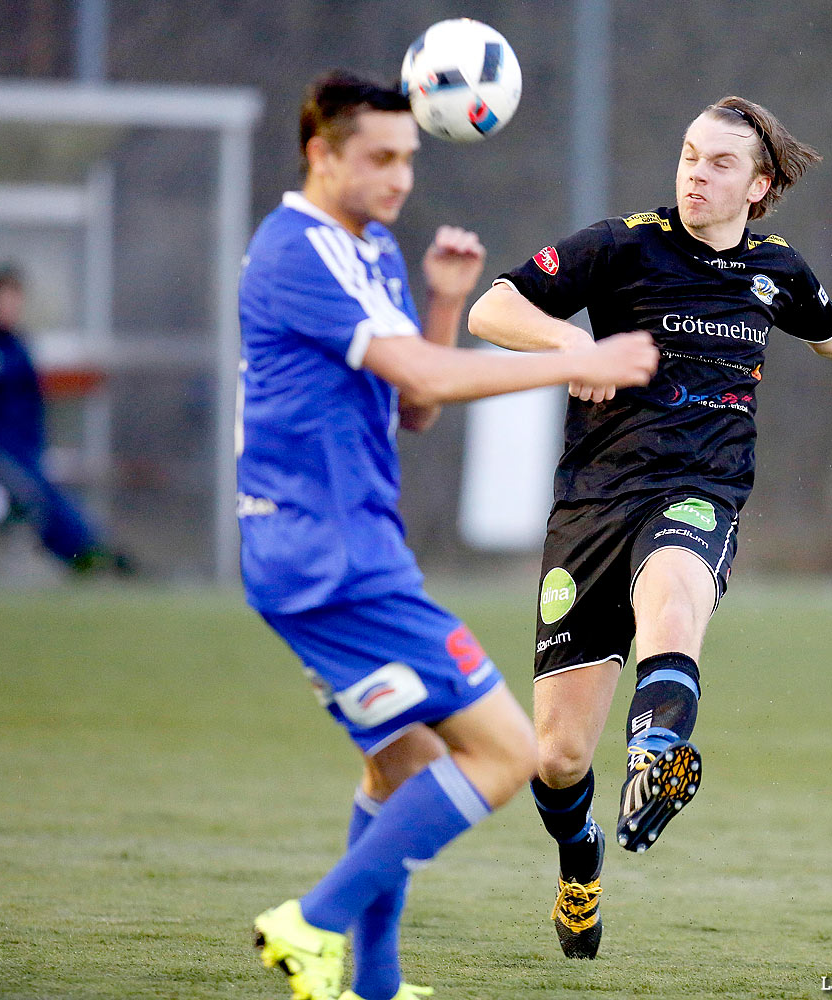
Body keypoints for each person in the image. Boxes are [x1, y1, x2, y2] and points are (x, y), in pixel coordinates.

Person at [467, 95, 832, 959]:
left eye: (718, 163)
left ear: (758, 184)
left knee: (674, 601)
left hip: (699, 491)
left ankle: (658, 750)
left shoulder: (775, 270)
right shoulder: (622, 243)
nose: (696, 173)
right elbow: (492, 308)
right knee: (557, 757)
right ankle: (580, 866)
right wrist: (567, 347)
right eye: (689, 155)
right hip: (592, 505)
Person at [237, 70, 657, 1000]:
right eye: (379, 158)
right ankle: (311, 922)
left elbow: (413, 401)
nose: (399, 178)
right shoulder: (294, 253)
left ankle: (372, 988)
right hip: (334, 560)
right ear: (320, 153)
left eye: (409, 158)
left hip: (321, 553)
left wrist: (437, 299)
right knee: (505, 754)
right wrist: (571, 355)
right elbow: (420, 369)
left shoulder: (373, 250)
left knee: (405, 762)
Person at [0, 264, 126, 574]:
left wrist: (39, 448)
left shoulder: (19, 348)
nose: (11, 307)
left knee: (49, 492)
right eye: (5, 298)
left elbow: (33, 408)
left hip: (22, 451)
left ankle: (92, 551)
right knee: (37, 496)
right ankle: (85, 554)